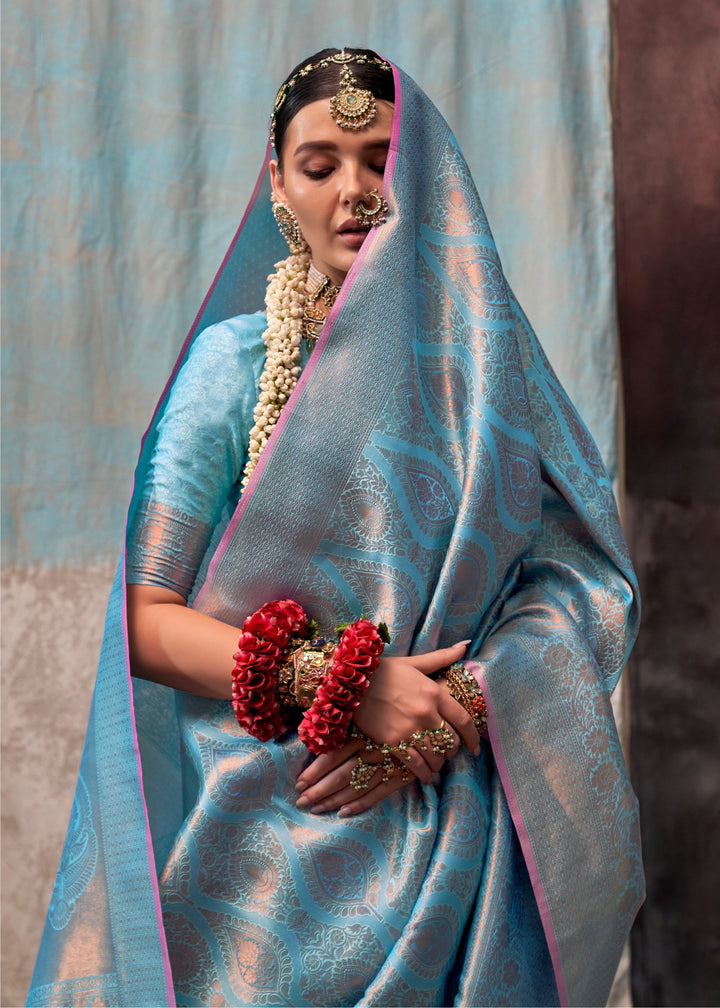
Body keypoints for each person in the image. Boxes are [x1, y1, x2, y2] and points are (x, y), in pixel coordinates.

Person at [28, 47, 643, 1008]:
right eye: (321, 165)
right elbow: (143, 623)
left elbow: (583, 583)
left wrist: (463, 707)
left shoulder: (487, 376)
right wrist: (346, 686)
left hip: (458, 839)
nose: (356, 192)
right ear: (278, 181)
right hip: (266, 853)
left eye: (380, 161)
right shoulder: (230, 370)